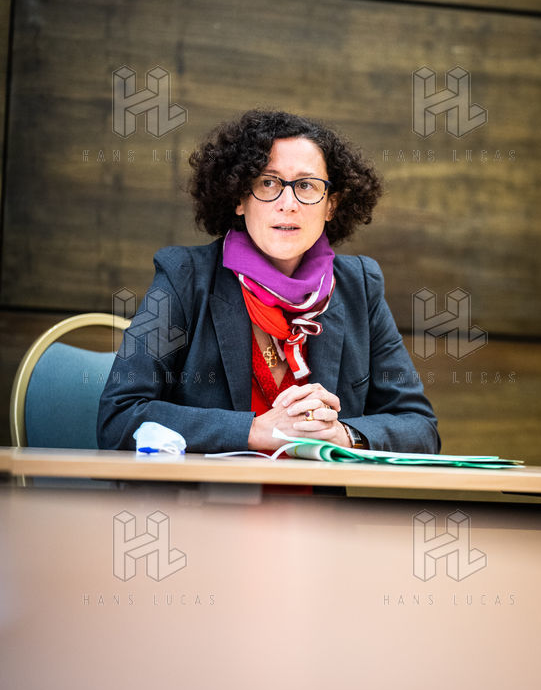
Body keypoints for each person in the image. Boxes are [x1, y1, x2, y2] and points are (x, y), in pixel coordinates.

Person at [97, 110, 440, 454]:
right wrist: (254, 430)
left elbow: (420, 427)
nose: (288, 204)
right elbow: (119, 418)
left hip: (318, 492)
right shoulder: (184, 277)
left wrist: (344, 435)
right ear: (239, 198)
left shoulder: (359, 287)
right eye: (268, 183)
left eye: (306, 185)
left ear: (331, 205)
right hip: (212, 490)